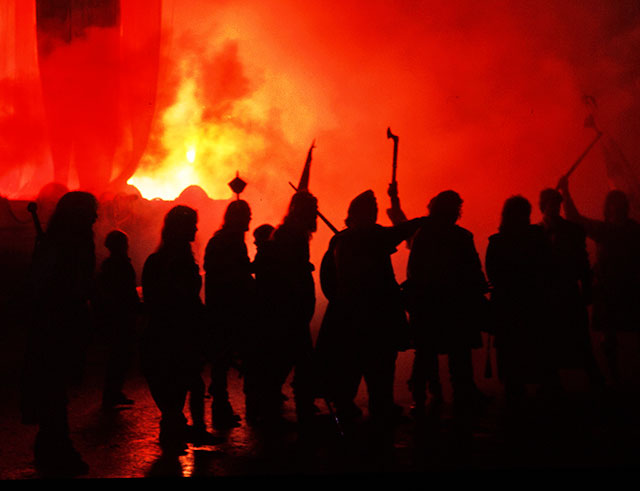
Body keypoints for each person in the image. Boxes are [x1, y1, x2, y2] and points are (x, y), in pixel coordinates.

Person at [316, 189, 421, 428]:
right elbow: (402, 230)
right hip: (376, 314)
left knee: (352, 363)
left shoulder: (339, 239)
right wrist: (428, 219)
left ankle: (347, 405)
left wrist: (339, 301)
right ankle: (378, 406)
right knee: (379, 364)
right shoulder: (373, 235)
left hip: (349, 314)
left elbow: (327, 279)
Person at [21, 191, 98, 476]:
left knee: (55, 388)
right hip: (55, 324)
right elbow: (42, 287)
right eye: (91, 211)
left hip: (64, 322)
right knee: (53, 389)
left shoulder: (67, 244)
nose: (95, 216)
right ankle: (56, 447)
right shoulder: (61, 246)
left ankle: (51, 446)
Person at [399, 189, 489, 415]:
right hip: (453, 306)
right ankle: (460, 398)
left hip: (430, 306)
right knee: (457, 355)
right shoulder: (461, 237)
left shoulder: (423, 235)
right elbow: (474, 271)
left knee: (426, 354)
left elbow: (414, 272)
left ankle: (422, 398)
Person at [140, 205, 220, 453]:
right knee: (179, 384)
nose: (196, 228)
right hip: (173, 333)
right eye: (191, 224)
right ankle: (178, 431)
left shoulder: (166, 261)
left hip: (177, 331)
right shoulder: (167, 263)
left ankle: (184, 429)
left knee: (188, 383)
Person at [557, 177, 640, 383]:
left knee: (621, 331)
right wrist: (566, 194)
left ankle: (620, 376)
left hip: (624, 286)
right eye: (614, 203)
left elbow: (576, 220)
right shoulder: (623, 229)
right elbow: (577, 220)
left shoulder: (625, 231)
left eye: (618, 204)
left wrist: (566, 193)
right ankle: (615, 375)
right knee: (609, 334)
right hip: (612, 287)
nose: (616, 207)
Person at [485, 196, 554, 407]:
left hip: (509, 306)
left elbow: (493, 274)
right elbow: (547, 268)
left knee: (512, 353)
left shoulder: (497, 242)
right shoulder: (536, 237)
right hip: (531, 303)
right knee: (535, 349)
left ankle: (516, 396)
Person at [259, 191, 319, 424]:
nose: (315, 214)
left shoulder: (294, 233)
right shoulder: (290, 235)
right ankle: (285, 409)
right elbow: (289, 273)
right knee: (293, 360)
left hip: (292, 308)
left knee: (290, 360)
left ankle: (277, 405)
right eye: (312, 209)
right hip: (288, 309)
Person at [538, 188, 604, 387]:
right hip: (548, 294)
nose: (554, 207)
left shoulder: (571, 231)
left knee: (580, 340)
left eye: (556, 203)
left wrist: (586, 290)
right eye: (551, 203)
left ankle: (594, 380)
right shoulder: (536, 234)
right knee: (550, 340)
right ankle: (553, 383)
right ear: (543, 206)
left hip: (567, 292)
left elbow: (582, 263)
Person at [203, 200, 255, 428]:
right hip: (229, 307)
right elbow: (233, 273)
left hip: (224, 307)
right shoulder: (229, 242)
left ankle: (223, 404)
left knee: (223, 360)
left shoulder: (223, 240)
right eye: (246, 216)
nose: (249, 221)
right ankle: (225, 407)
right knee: (230, 357)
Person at [95, 230, 140, 408]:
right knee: (120, 356)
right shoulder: (120, 265)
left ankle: (113, 393)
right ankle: (112, 394)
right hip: (121, 317)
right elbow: (125, 291)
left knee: (117, 357)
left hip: (114, 316)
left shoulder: (108, 265)